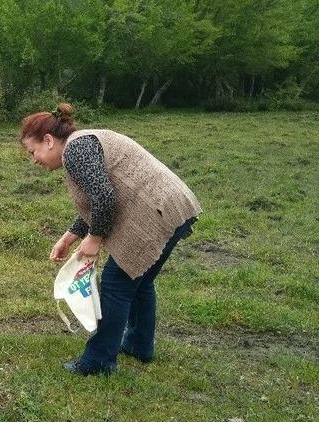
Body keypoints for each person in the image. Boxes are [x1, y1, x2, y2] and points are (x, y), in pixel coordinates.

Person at [20, 103, 201, 375]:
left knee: (116, 285)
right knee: (139, 282)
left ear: (48, 141)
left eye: (32, 152)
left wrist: (94, 239)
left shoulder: (75, 150)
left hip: (157, 210)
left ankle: (98, 362)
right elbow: (99, 198)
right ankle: (138, 346)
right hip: (174, 205)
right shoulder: (81, 145)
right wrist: (71, 236)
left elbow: (105, 198)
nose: (33, 160)